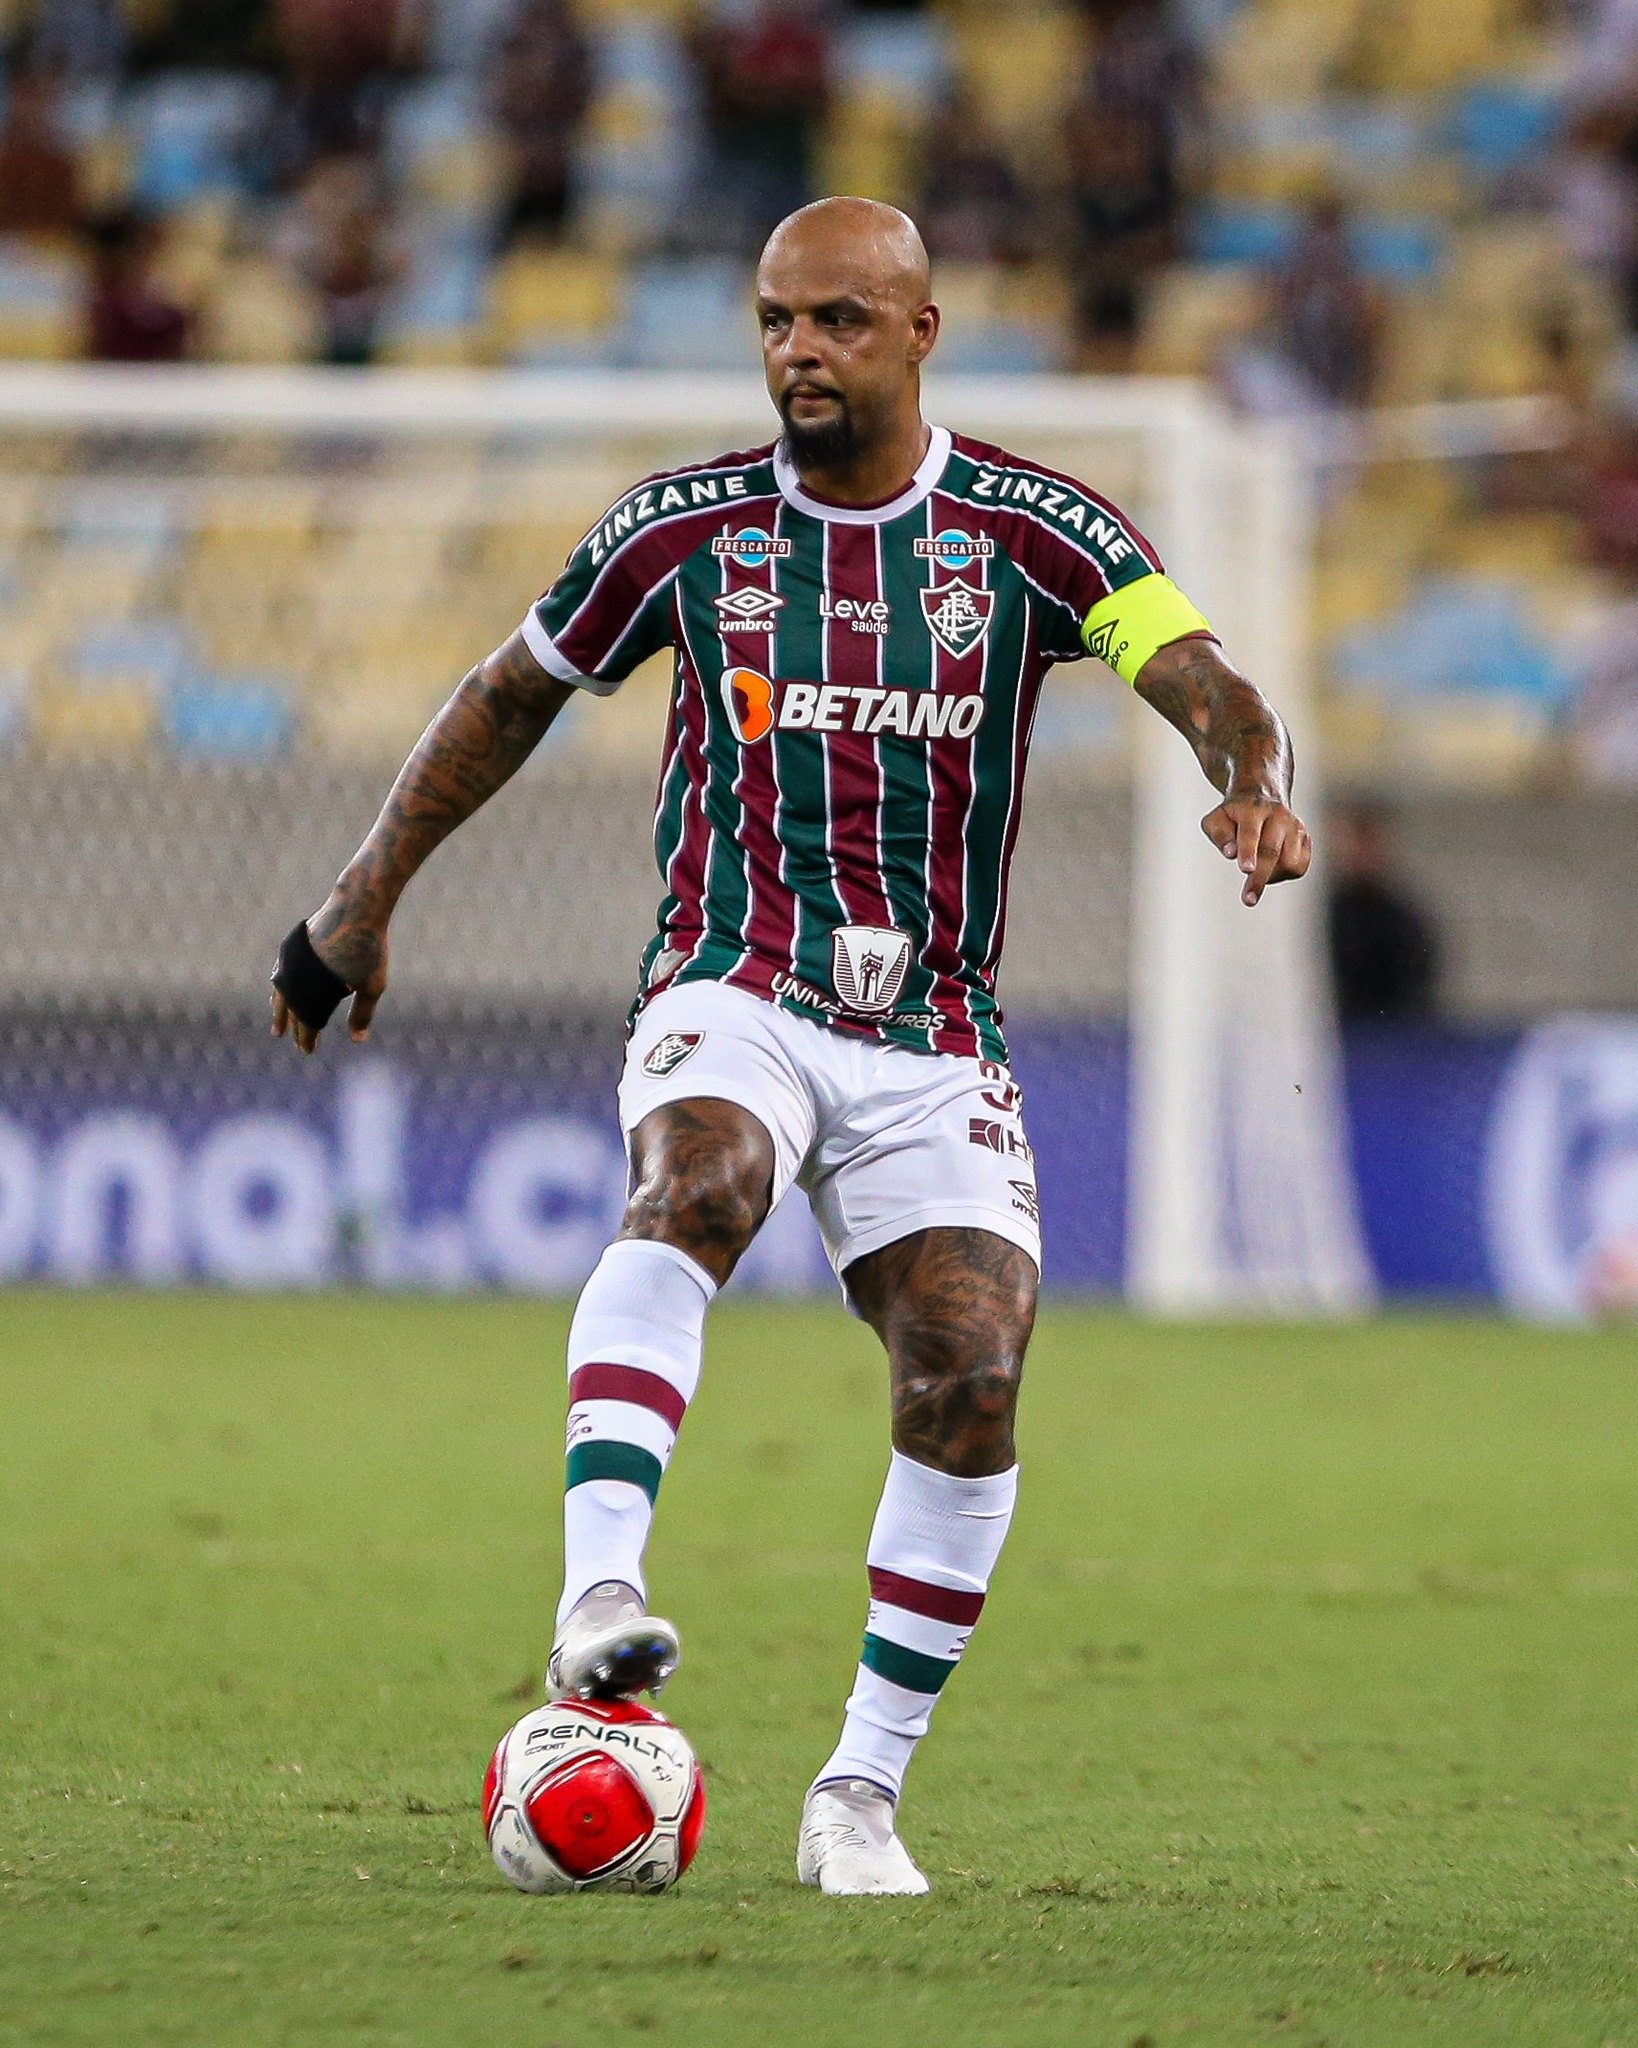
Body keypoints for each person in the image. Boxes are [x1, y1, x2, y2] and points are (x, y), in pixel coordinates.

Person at [269, 198, 1311, 1896]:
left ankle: (856, 1797)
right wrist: (361, 893)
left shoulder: (1033, 531)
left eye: (834, 319)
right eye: (774, 321)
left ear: (919, 330)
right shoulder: (679, 531)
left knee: (969, 1376)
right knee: (699, 1181)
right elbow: (507, 693)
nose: (797, 352)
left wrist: (1249, 781)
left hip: (932, 1029)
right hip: (733, 977)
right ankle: (598, 1593)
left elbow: (1199, 677)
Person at [1326, 800, 1439, 1022]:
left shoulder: (1402, 919)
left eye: (1369, 842)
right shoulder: (1326, 914)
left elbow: (1417, 989)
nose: (1360, 854)